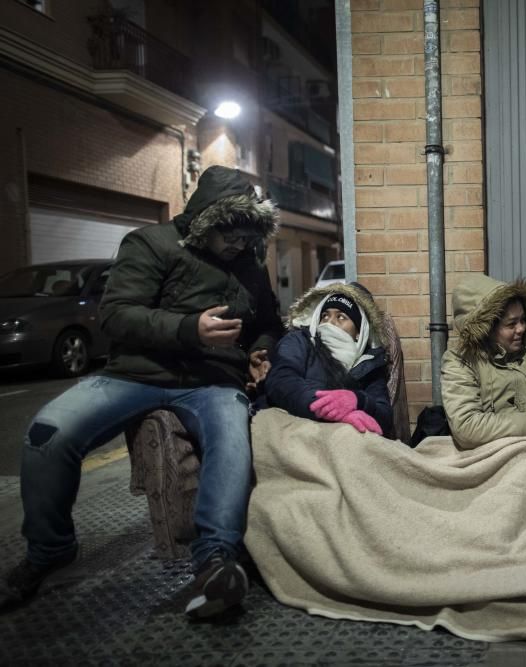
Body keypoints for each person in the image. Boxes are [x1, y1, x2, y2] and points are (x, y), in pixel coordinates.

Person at [0, 166, 283, 618]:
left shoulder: (249, 264)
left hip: (213, 381)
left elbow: (268, 323)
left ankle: (214, 560)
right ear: (207, 218)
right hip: (136, 373)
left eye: (248, 233)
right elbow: (115, 315)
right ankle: (49, 549)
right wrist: (191, 328)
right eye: (230, 230)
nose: (238, 242)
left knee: (232, 444)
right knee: (48, 433)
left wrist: (261, 351)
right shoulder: (150, 243)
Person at [441, 274, 526, 450]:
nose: (521, 328)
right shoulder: (461, 362)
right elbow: (467, 426)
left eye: (523, 320)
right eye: (511, 324)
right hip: (489, 460)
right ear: (487, 328)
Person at [263, 282, 392, 436]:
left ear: (359, 332)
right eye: (325, 316)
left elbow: (384, 416)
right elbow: (281, 381)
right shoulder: (299, 342)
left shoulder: (369, 364)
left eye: (341, 317)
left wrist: (359, 400)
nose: (330, 322)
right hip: (293, 429)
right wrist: (329, 411)